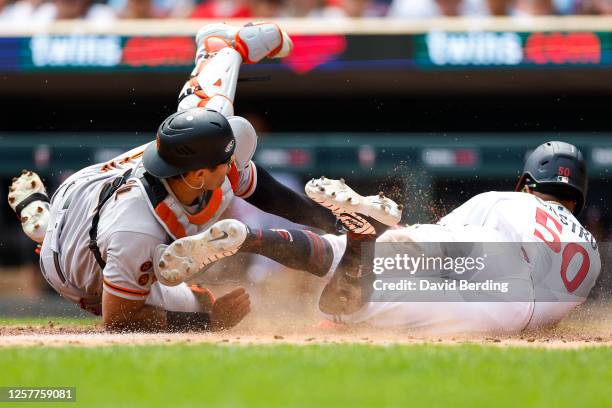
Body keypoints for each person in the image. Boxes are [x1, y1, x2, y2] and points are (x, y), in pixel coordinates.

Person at [9, 22, 338, 332]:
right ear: (198, 174)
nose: (234, 163)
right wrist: (208, 322)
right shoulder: (136, 230)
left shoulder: (188, 155)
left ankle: (221, 48)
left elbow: (269, 192)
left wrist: (334, 222)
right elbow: (118, 319)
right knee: (199, 304)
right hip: (74, 270)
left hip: (87, 192)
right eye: (226, 161)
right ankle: (46, 229)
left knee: (208, 114)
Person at [161, 141, 600, 334]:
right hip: (510, 306)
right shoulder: (592, 251)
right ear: (577, 198)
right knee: (348, 303)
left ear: (527, 180)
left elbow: (442, 243)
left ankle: (259, 237)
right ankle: (363, 238)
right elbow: (551, 312)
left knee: (372, 258)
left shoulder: (508, 200)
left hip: (488, 249)